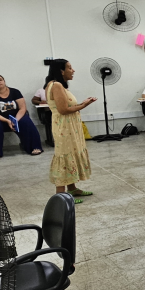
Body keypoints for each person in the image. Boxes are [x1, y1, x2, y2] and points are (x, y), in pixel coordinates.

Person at [44, 60, 95, 203]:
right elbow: (63, 110)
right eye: (70, 68)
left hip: (70, 126)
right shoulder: (56, 85)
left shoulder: (58, 85)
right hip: (64, 128)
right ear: (61, 71)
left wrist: (82, 103)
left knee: (71, 153)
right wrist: (84, 105)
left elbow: (67, 106)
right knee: (64, 156)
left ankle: (72, 188)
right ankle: (61, 197)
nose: (73, 71)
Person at [0, 74, 44, 160]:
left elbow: (22, 108)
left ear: (4, 81)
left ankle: (34, 147)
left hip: (16, 116)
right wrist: (7, 121)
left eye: (0, 79)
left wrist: (15, 120)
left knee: (25, 121)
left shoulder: (15, 92)